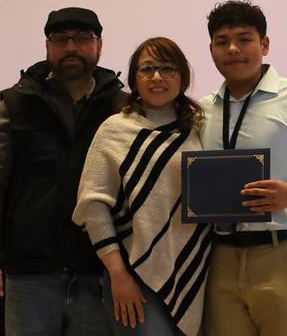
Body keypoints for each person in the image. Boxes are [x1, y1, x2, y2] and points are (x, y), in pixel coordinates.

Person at [0, 7, 128, 336]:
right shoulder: (16, 104)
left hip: (99, 274)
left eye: (83, 38)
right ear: (47, 46)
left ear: (99, 45)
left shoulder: (122, 107)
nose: (71, 46)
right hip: (30, 274)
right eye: (60, 38)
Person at [199, 0, 287, 336]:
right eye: (222, 42)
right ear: (211, 50)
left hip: (285, 255)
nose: (233, 49)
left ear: (264, 44)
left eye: (244, 39)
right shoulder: (202, 110)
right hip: (220, 260)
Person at [72, 37, 210, 336]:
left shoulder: (199, 127)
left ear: (182, 76)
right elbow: (92, 207)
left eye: (167, 69)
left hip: (196, 279)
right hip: (133, 278)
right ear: (134, 78)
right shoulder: (114, 129)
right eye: (147, 69)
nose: (157, 77)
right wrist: (118, 275)